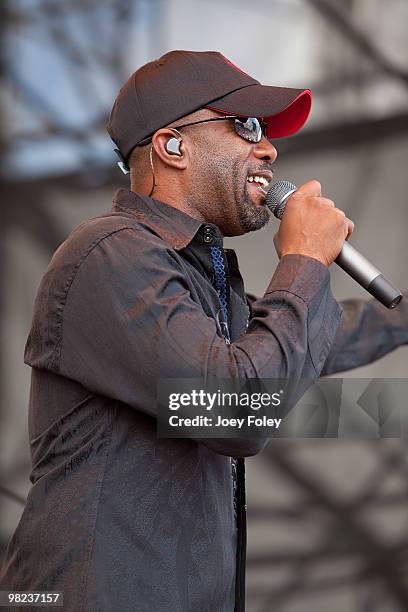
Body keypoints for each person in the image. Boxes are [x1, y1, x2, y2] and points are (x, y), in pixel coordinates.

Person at [1, 50, 407, 612]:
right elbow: (234, 410)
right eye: (245, 127)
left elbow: (300, 342)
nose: (267, 147)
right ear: (173, 146)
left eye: (265, 131)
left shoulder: (187, 277)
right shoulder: (109, 255)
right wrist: (305, 261)